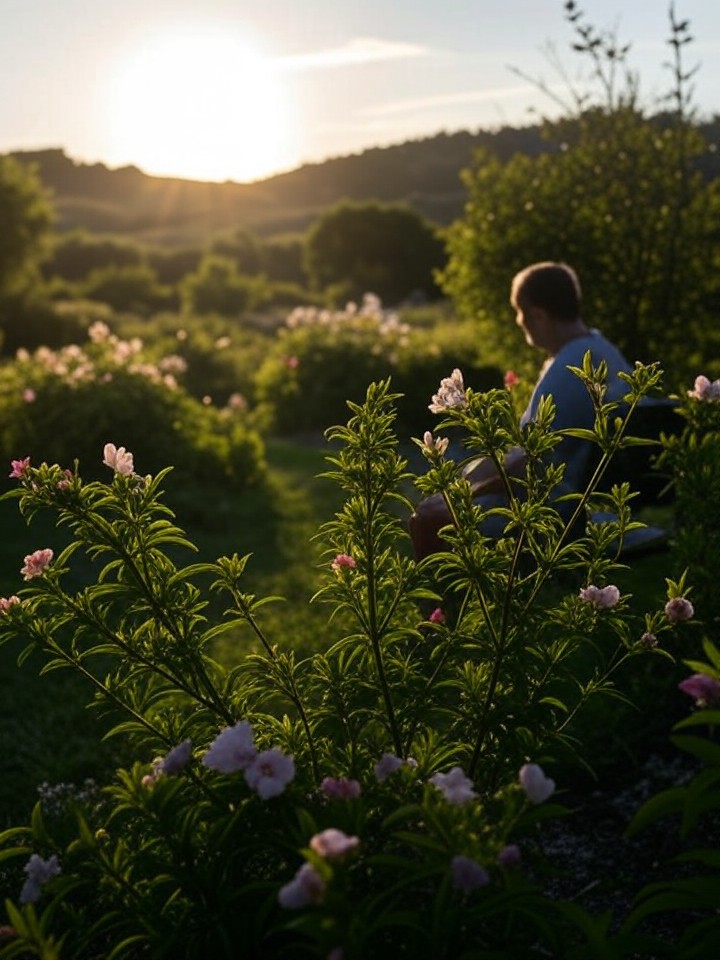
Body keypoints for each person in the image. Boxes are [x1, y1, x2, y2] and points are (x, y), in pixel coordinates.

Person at [410, 261, 633, 557]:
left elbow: (525, 462)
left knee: (428, 519)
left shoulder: (569, 368)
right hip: (585, 499)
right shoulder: (604, 351)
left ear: (538, 315)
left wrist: (460, 494)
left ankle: (441, 604)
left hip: (555, 510)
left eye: (519, 312)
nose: (518, 321)